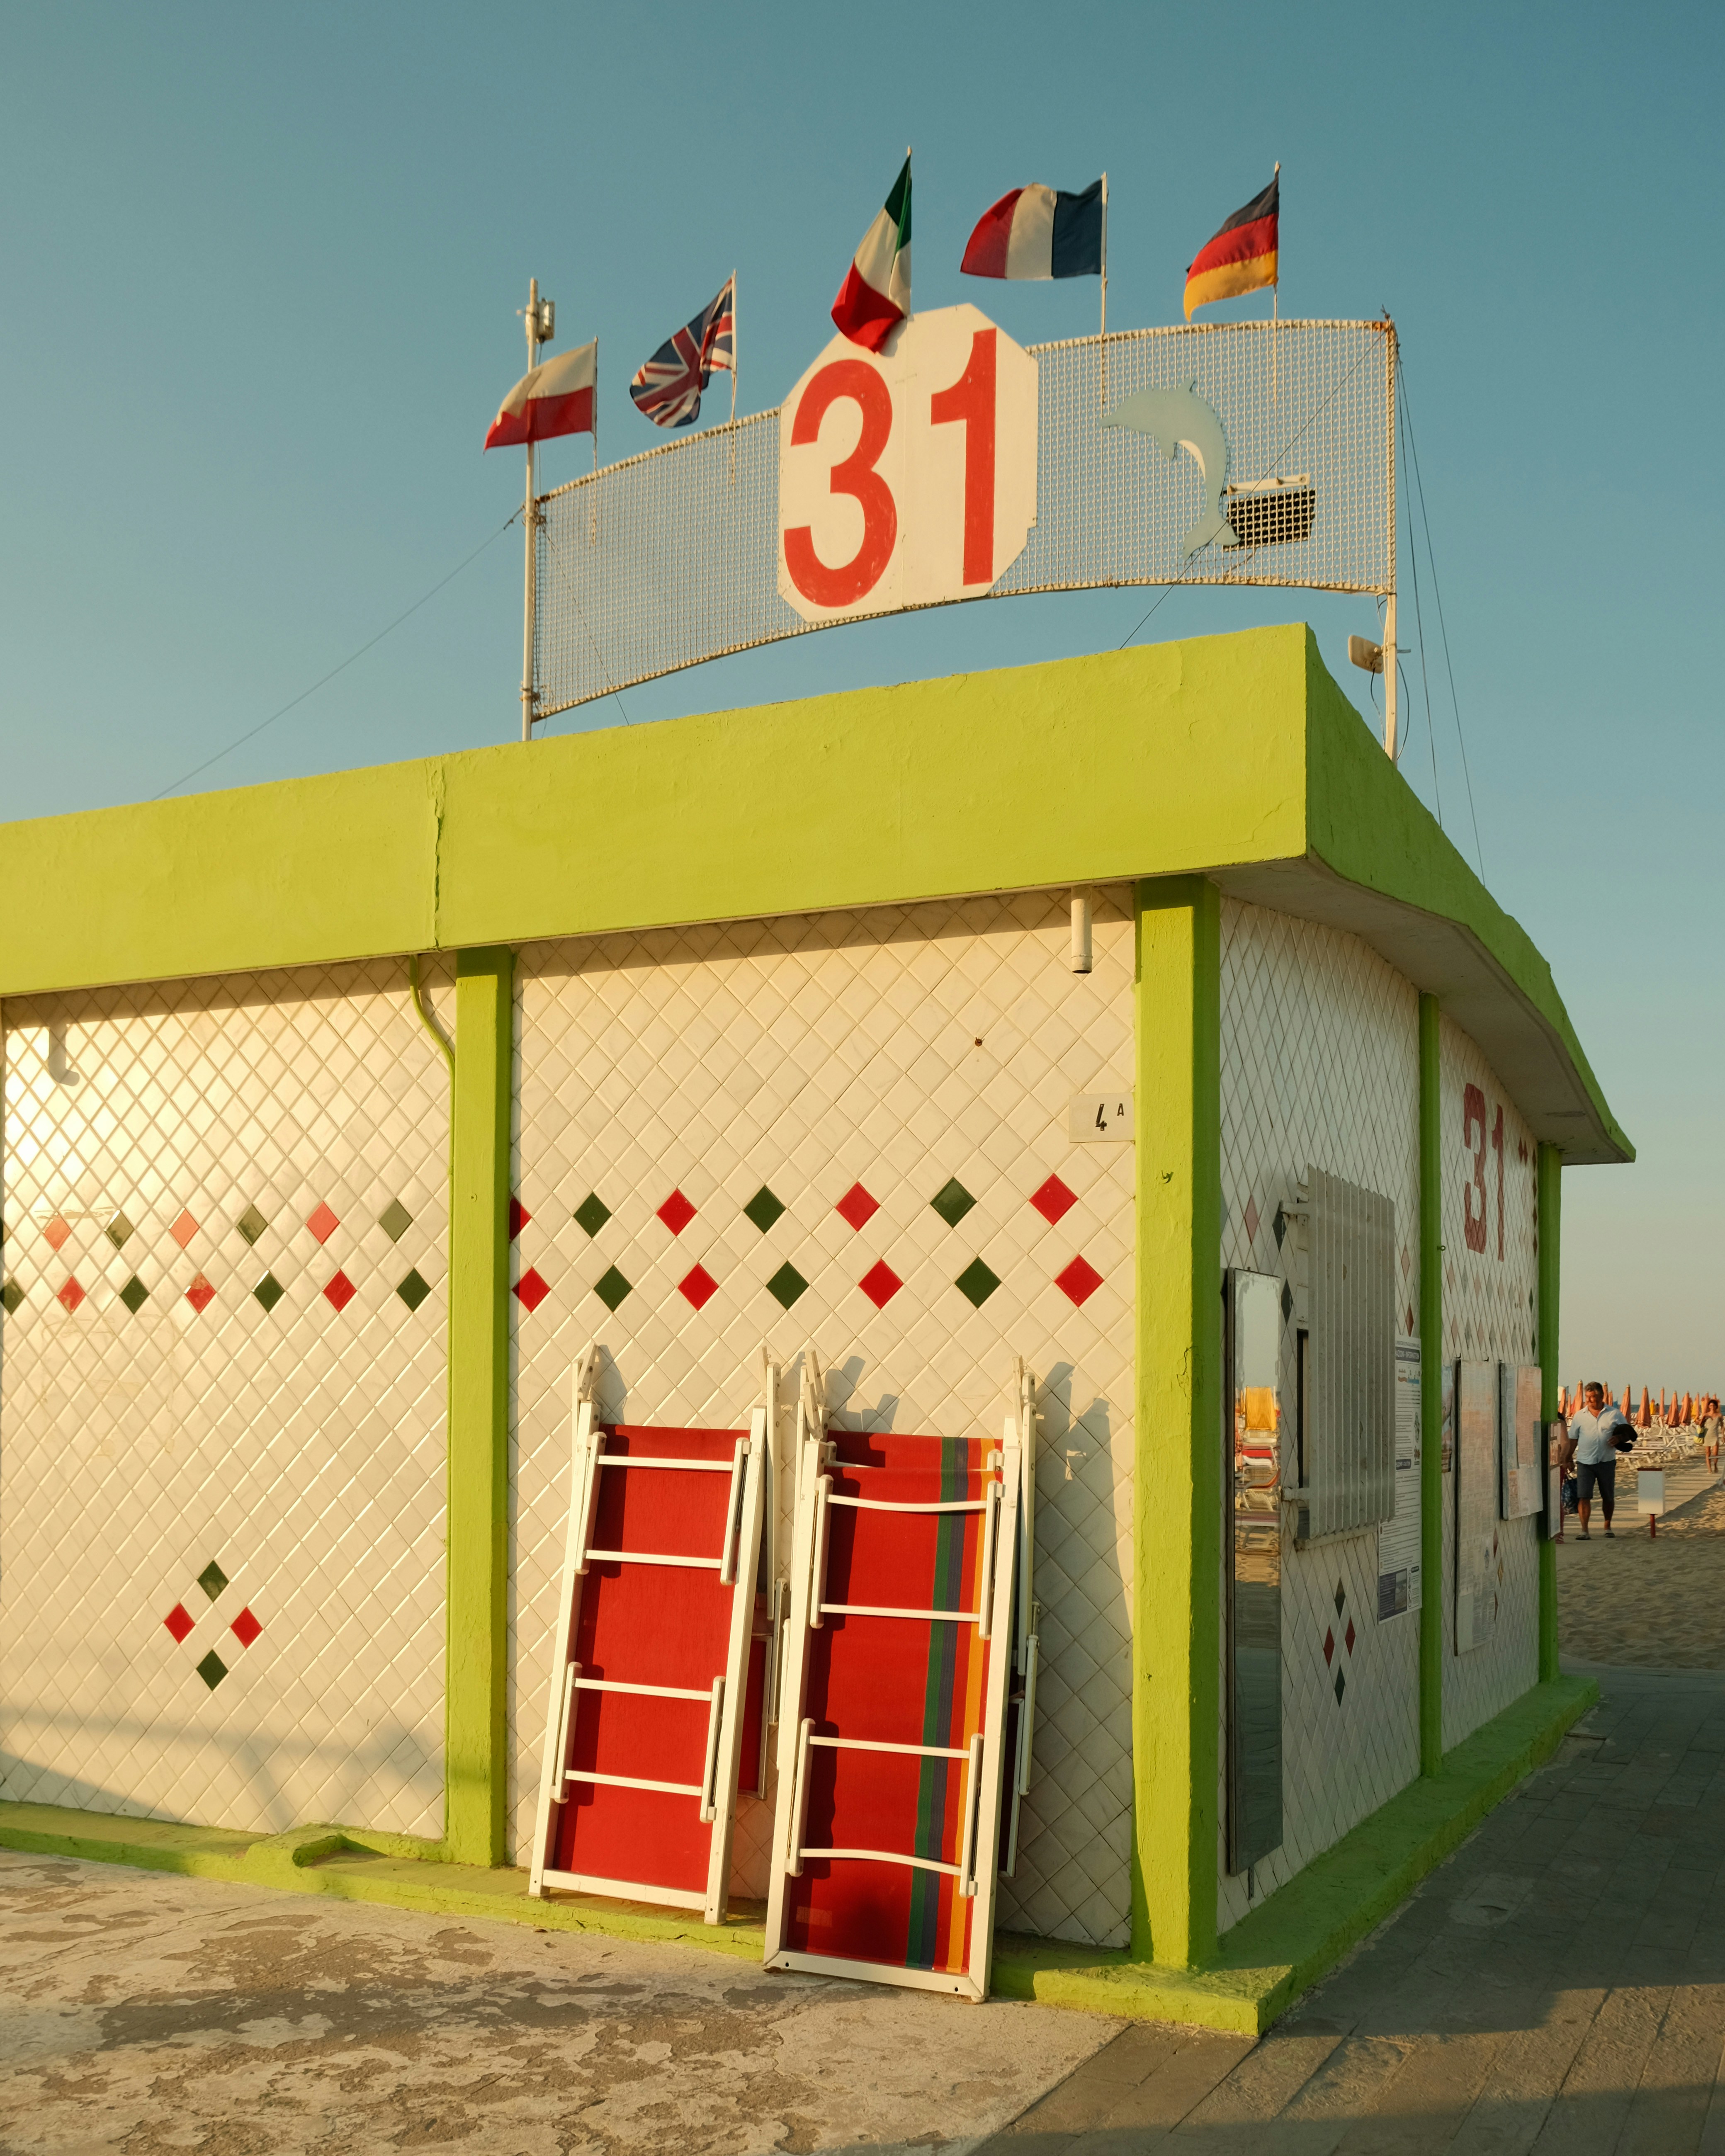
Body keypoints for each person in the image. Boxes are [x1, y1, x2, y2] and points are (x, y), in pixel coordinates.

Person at [1569, 1381, 1632, 1538]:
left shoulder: (1615, 1414)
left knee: (1608, 1496)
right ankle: (1584, 1531)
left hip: (1606, 1461)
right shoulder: (1579, 1416)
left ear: (1602, 1396)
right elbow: (1573, 1439)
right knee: (1584, 1496)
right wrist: (1567, 1457)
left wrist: (1618, 1437)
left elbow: (1629, 1434)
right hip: (1585, 1461)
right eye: (1588, 1397)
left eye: (1593, 1397)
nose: (1590, 1400)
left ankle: (1608, 1526)